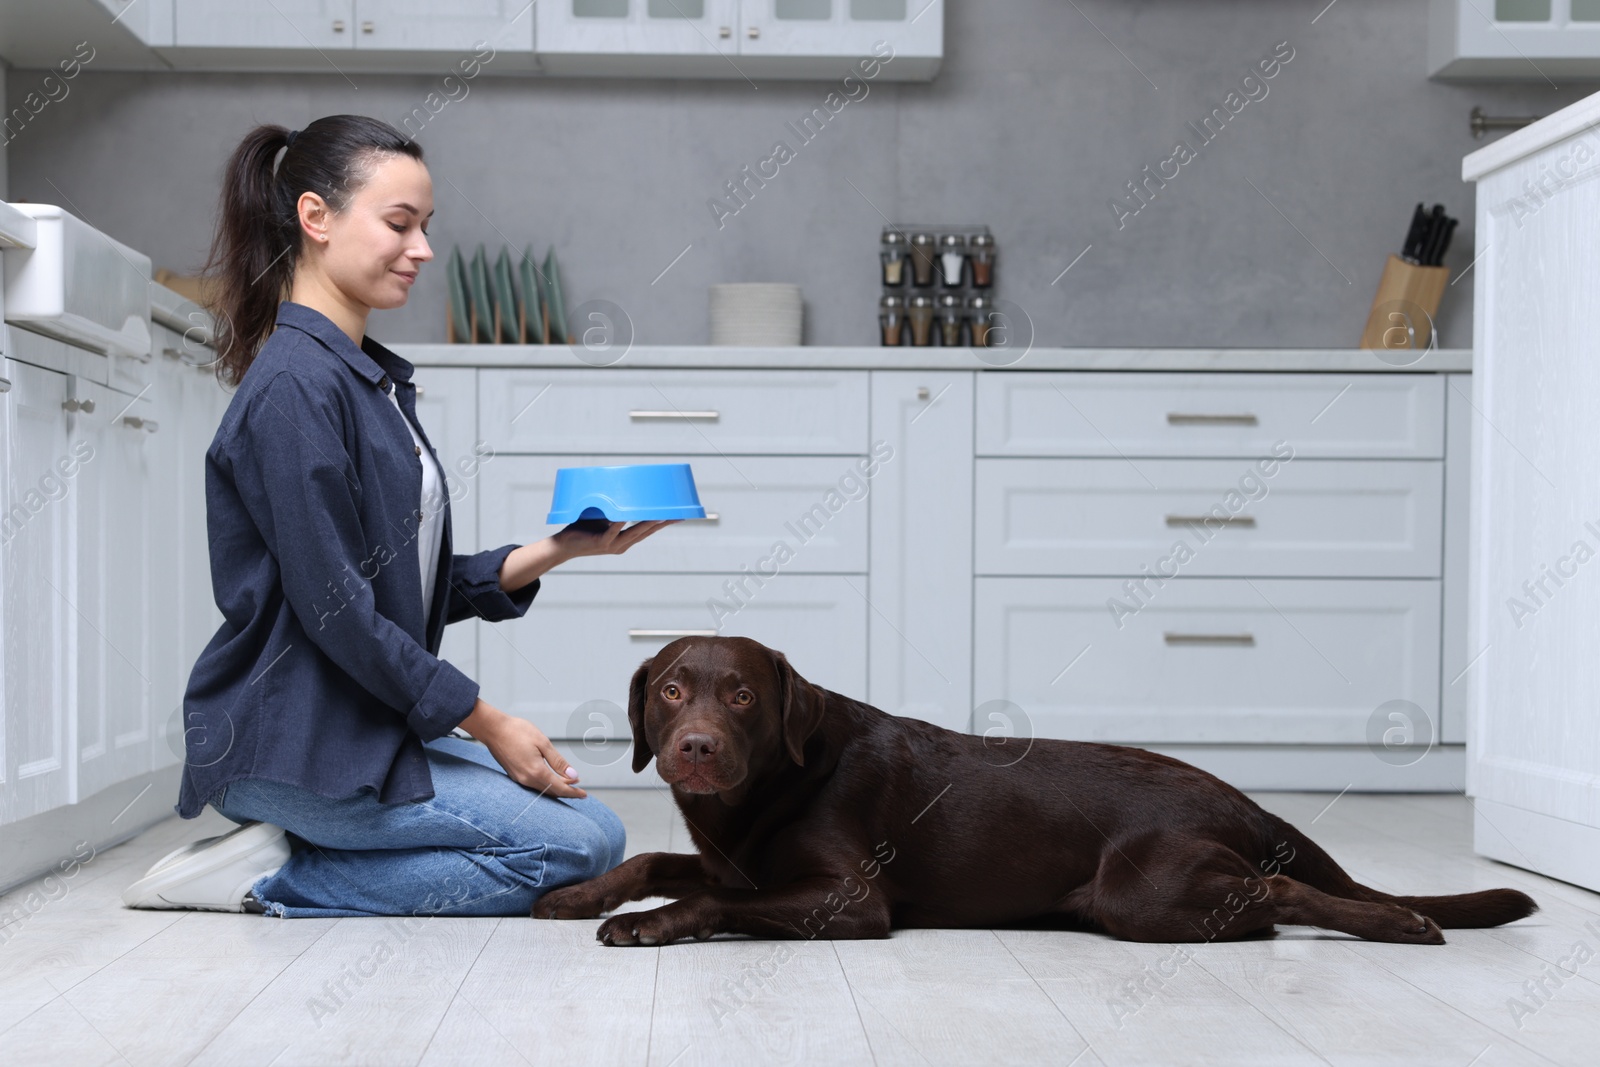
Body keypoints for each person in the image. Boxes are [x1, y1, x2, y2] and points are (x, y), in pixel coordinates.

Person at [122, 114, 674, 918]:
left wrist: (561, 548)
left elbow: (392, 587)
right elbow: (341, 612)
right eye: (399, 224)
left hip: (358, 729)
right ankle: (266, 878)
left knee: (592, 835)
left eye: (425, 226)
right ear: (316, 219)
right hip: (291, 746)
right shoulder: (294, 392)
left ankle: (297, 853)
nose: (423, 250)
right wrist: (488, 722)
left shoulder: (358, 381)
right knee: (576, 845)